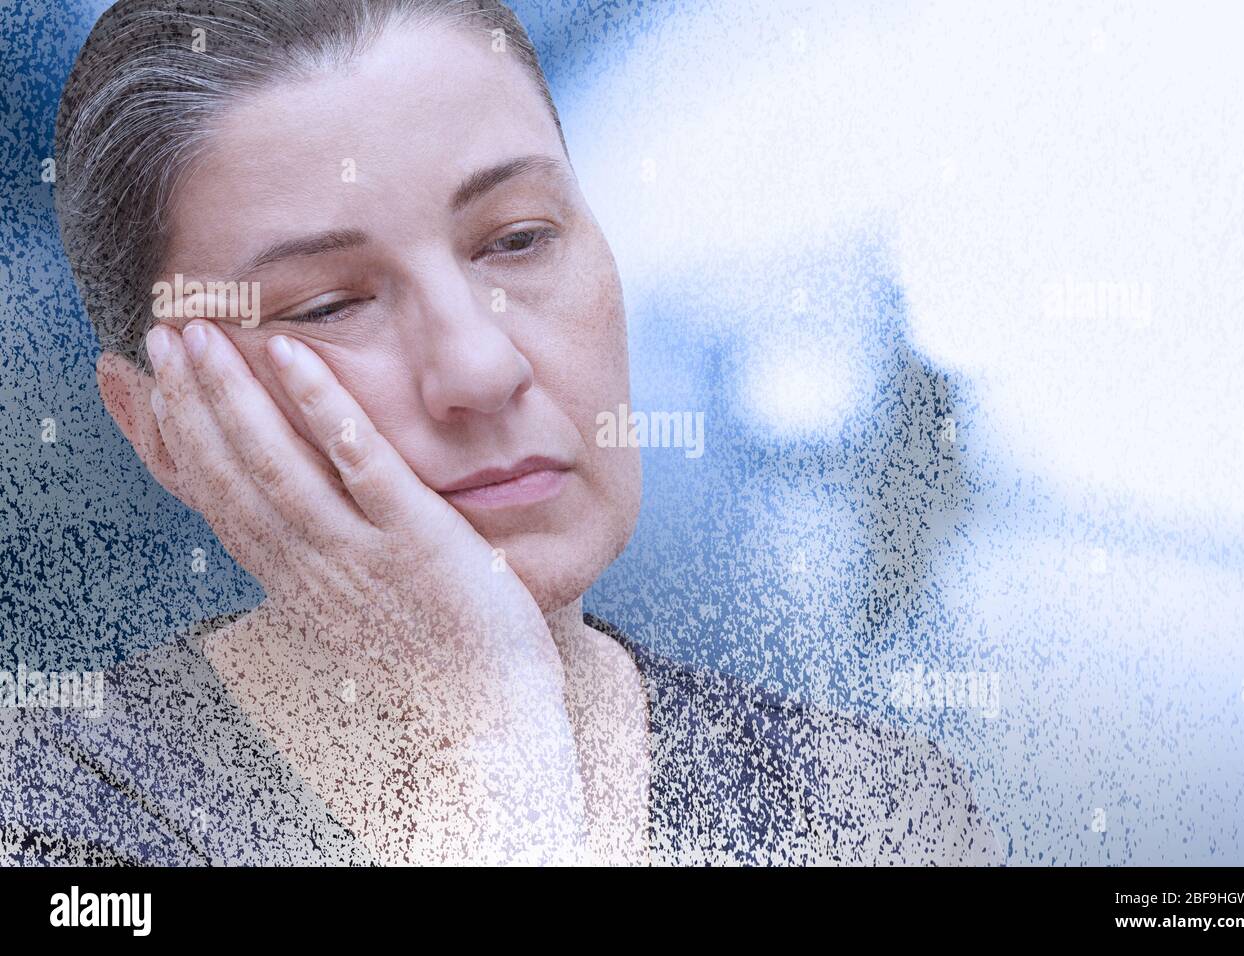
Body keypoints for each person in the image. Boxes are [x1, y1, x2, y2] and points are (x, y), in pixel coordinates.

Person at [2, 0, 1002, 865]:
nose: (481, 367)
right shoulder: (54, 816)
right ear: (161, 428)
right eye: (328, 304)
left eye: (519, 239)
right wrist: (488, 746)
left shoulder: (877, 810)